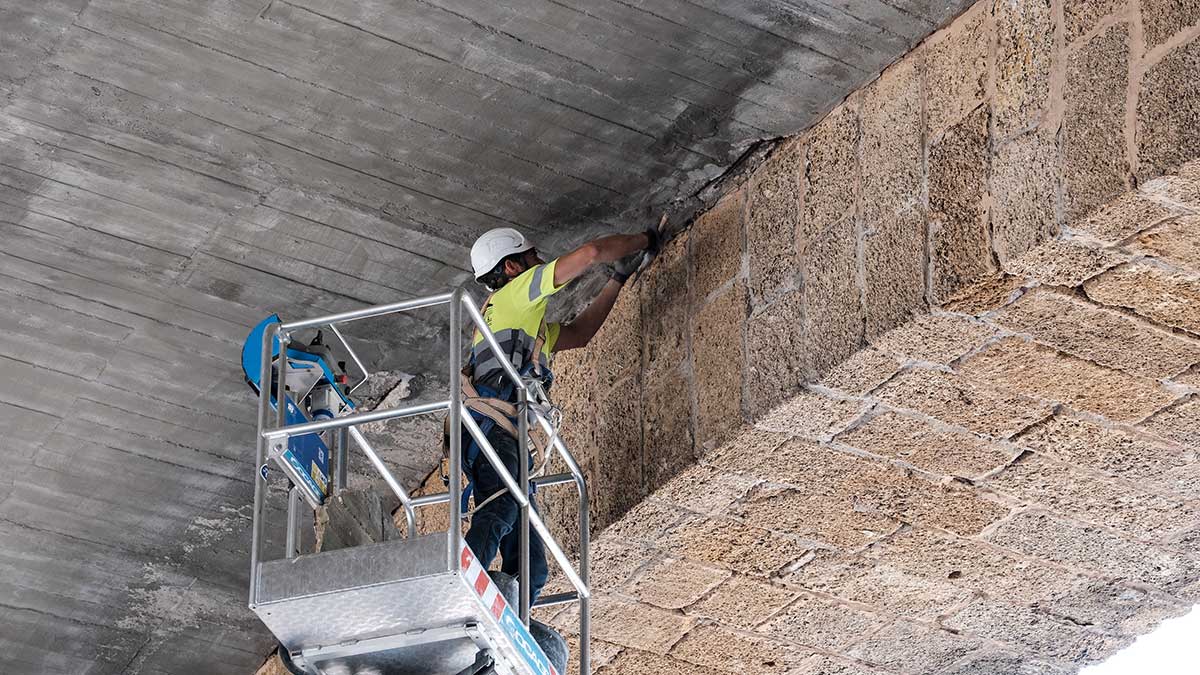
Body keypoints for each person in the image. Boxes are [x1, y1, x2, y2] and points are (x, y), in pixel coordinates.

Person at [461, 225, 657, 603]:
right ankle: (465, 588)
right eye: (534, 257)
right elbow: (591, 253)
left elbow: (580, 334)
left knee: (533, 566)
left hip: (505, 434)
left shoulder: (520, 324)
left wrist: (618, 279)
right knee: (501, 503)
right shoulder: (516, 294)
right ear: (514, 267)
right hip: (495, 428)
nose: (542, 262)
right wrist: (645, 239)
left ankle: (514, 627)